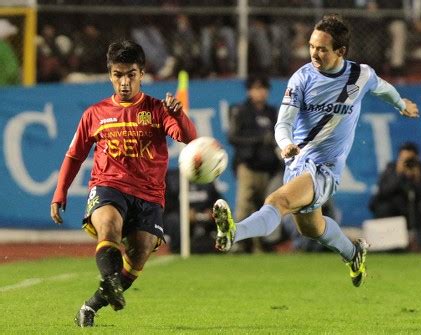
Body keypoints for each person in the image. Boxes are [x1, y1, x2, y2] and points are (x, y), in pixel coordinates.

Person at [212, 14, 419, 287]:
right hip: (298, 162)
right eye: (311, 46)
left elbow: (383, 88)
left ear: (340, 51)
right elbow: (283, 123)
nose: (314, 53)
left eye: (322, 48)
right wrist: (285, 143)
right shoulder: (302, 78)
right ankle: (353, 254)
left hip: (325, 169)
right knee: (312, 228)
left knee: (277, 201)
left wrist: (400, 103)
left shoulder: (360, 75)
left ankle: (234, 233)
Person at [50, 40, 197, 327]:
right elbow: (74, 155)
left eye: (131, 74)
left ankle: (92, 304)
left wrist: (178, 114)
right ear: (110, 75)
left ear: (142, 74)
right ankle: (110, 279)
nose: (125, 82)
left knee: (140, 253)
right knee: (109, 226)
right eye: (118, 75)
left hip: (149, 195)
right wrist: (60, 192)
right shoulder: (95, 114)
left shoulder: (157, 110)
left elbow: (190, 140)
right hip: (109, 185)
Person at [228, 75, 283, 253]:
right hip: (249, 166)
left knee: (265, 207)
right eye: (255, 88)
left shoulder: (272, 112)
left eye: (263, 88)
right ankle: (236, 243)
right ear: (249, 91)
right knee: (243, 205)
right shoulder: (241, 111)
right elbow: (233, 137)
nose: (259, 92)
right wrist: (260, 139)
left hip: (269, 168)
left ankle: (262, 245)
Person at [369, 142, 421, 252]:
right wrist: (398, 174)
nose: (408, 163)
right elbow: (384, 192)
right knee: (384, 208)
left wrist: (416, 178)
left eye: (410, 159)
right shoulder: (391, 168)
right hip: (394, 206)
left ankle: (420, 247)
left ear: (417, 158)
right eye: (404, 159)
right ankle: (387, 248)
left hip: (415, 208)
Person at [164, 169, 223, 254]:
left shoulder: (207, 179)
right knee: (173, 219)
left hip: (204, 216)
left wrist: (212, 211)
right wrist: (183, 213)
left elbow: (217, 200)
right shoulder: (173, 179)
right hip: (180, 217)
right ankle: (177, 249)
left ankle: (222, 246)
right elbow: (168, 205)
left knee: (222, 215)